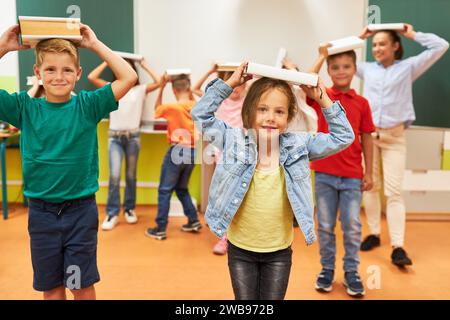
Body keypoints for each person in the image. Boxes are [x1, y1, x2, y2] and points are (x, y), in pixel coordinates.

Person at [191, 62, 355, 300]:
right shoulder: (233, 139)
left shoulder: (299, 145)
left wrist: (323, 99)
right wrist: (229, 84)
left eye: (279, 112)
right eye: (262, 109)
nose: (270, 118)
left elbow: (344, 136)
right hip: (240, 249)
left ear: (288, 117)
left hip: (278, 252)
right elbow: (200, 115)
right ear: (249, 112)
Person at [0, 24, 137, 300]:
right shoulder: (24, 109)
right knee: (51, 288)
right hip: (41, 215)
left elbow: (128, 76)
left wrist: (94, 44)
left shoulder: (88, 106)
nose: (59, 76)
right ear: (38, 74)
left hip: (80, 213)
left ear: (78, 74)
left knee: (80, 285)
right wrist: (3, 48)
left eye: (66, 70)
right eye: (50, 69)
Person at [358, 23, 449, 266]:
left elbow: (442, 46)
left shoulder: (408, 67)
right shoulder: (366, 69)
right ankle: (374, 233)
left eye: (382, 43)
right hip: (368, 137)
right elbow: (336, 56)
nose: (376, 48)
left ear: (395, 46)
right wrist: (360, 37)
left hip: (394, 138)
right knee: (371, 187)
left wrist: (413, 34)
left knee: (394, 191)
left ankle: (398, 246)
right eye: (374, 44)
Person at [307, 44, 375, 297]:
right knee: (324, 225)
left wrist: (370, 173)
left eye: (346, 66)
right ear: (328, 70)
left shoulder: (362, 103)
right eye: (334, 67)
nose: (341, 71)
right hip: (324, 173)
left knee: (352, 226)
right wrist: (322, 53)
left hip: (352, 176)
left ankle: (351, 272)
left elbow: (367, 138)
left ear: (355, 69)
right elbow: (307, 78)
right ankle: (326, 269)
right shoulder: (322, 96)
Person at [88, 58, 160, 230]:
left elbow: (159, 82)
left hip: (133, 137)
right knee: (114, 176)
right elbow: (92, 77)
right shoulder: (112, 89)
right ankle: (112, 213)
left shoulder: (140, 89)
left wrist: (144, 64)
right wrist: (108, 60)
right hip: (115, 138)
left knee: (130, 176)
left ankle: (129, 209)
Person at [194, 64, 247, 255]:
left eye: (240, 85)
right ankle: (224, 238)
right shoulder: (221, 102)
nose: (236, 89)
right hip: (223, 156)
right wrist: (210, 72)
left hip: (244, 157)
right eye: (233, 84)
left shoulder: (248, 101)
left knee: (240, 198)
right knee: (225, 196)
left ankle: (236, 237)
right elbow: (195, 90)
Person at [145, 72, 201, 240]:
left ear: (174, 90)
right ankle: (193, 220)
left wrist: (161, 87)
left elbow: (156, 111)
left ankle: (160, 228)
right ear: (189, 88)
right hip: (192, 151)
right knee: (182, 188)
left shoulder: (172, 107)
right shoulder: (196, 106)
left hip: (177, 150)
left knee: (165, 191)